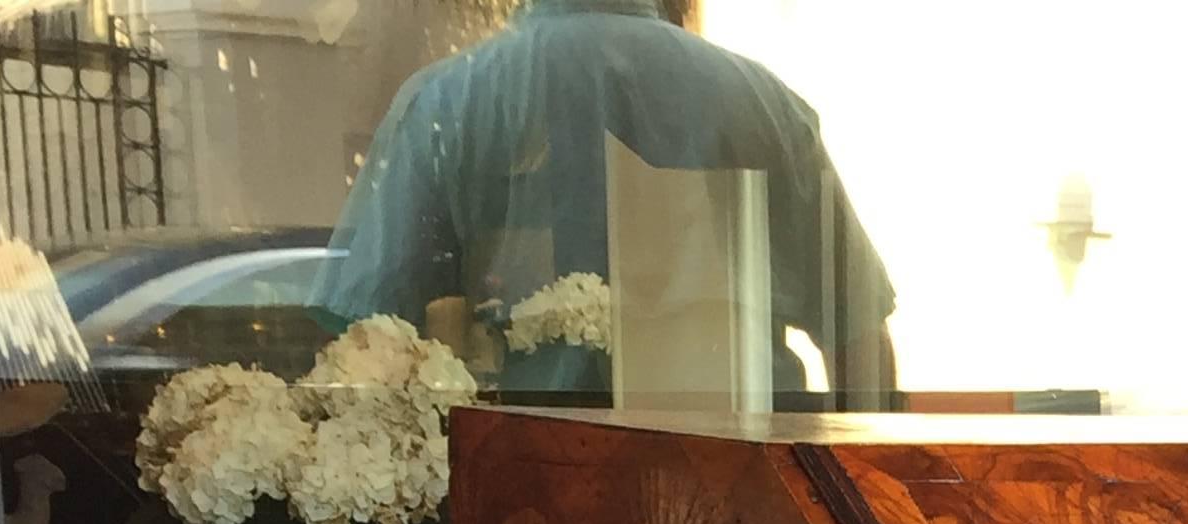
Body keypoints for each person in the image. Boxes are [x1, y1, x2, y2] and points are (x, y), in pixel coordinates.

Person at [316, 0, 895, 402]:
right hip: (751, 494)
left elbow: (371, 343)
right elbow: (859, 332)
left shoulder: (447, 103)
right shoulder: (765, 105)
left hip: (522, 493)